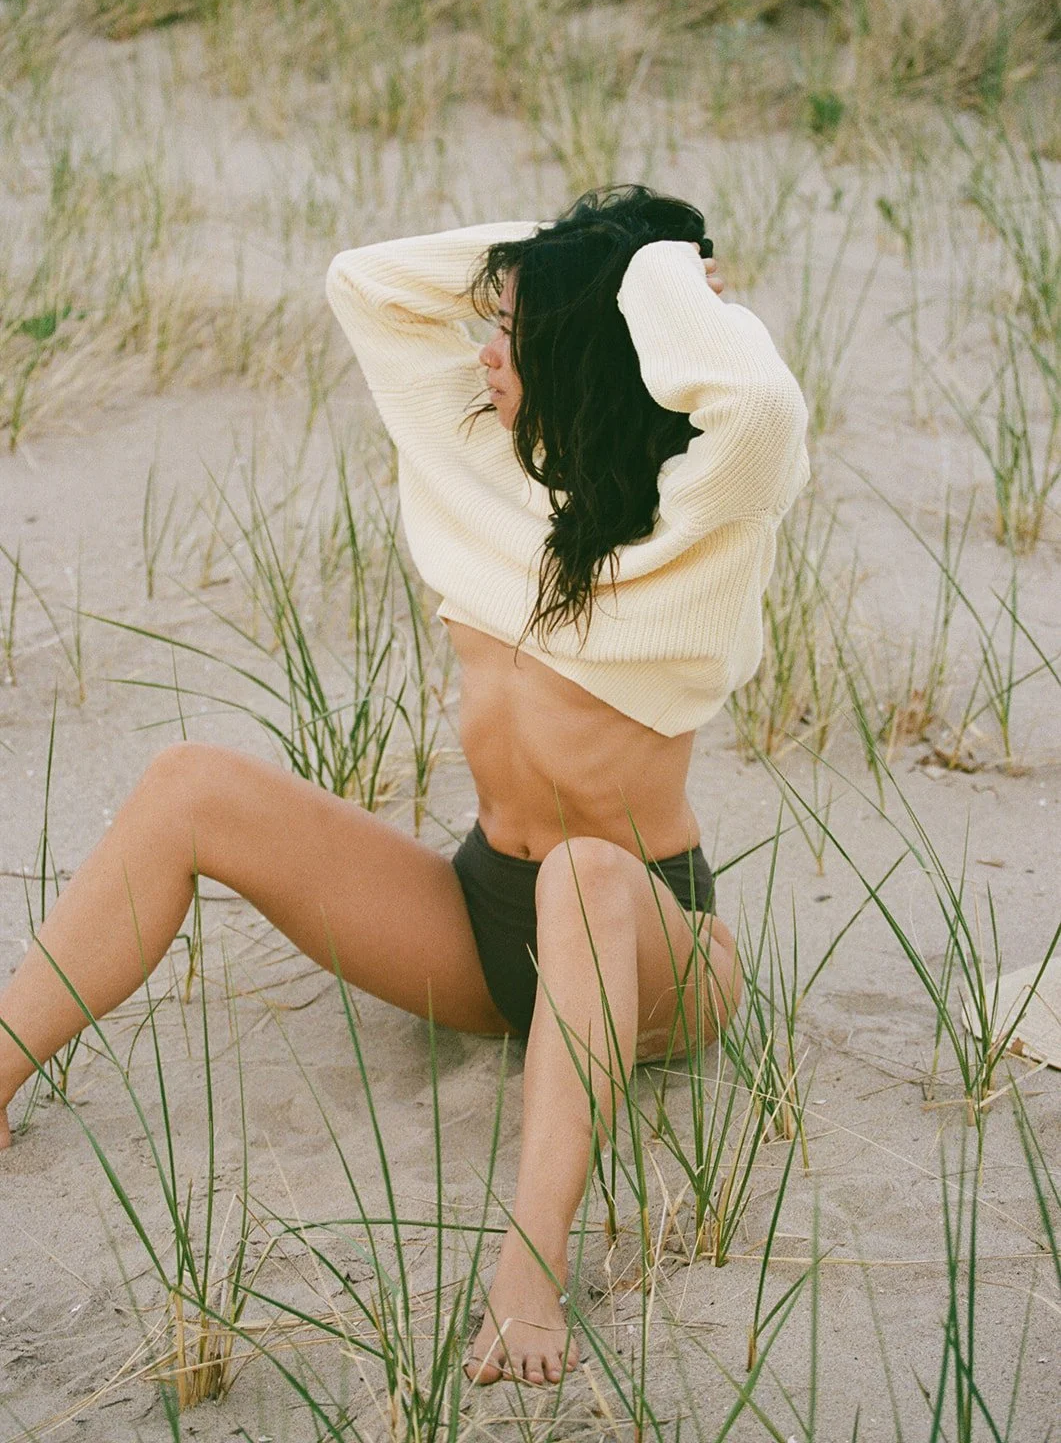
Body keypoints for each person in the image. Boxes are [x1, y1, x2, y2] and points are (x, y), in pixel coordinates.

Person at [0, 184, 810, 1389]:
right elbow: (366, 282)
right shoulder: (477, 467)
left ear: (600, 354)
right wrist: (568, 255)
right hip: (484, 919)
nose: (484, 350)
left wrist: (656, 272)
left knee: (586, 872)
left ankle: (528, 1270)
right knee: (188, 783)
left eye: (517, 336)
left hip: (650, 936)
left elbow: (755, 399)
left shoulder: (706, 514)